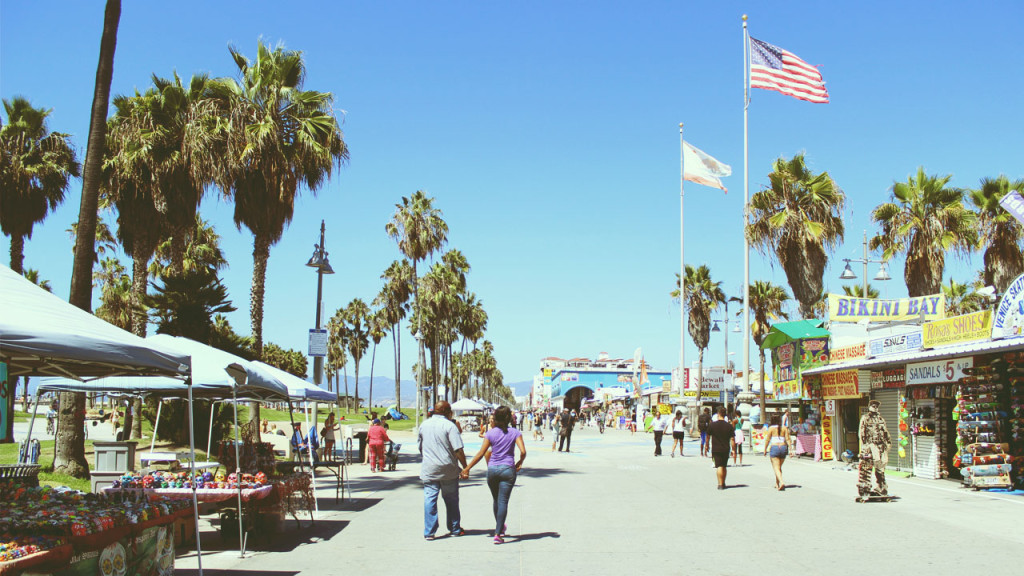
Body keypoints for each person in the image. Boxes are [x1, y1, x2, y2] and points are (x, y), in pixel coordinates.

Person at [462, 406, 527, 544]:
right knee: (503, 501)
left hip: (492, 469)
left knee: (496, 500)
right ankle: (498, 533)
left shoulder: (490, 434)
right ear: (509, 418)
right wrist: (520, 462)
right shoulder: (515, 432)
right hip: (508, 469)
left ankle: (499, 525)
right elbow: (523, 451)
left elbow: (480, 454)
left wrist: (467, 468)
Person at [418, 401, 467, 540]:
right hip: (448, 469)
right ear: (446, 411)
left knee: (430, 498)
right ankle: (454, 528)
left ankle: (429, 532)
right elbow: (458, 449)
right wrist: (465, 467)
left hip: (429, 468)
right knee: (451, 499)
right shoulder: (449, 426)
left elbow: (420, 447)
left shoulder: (424, 425)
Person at [857, 400, 892, 500]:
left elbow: (885, 432)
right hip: (869, 446)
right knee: (866, 469)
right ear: (869, 407)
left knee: (880, 469)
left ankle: (881, 488)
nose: (875, 407)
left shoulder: (881, 419)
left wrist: (888, 444)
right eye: (873, 406)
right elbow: (861, 433)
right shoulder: (865, 418)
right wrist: (865, 447)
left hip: (880, 447)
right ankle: (865, 488)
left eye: (876, 406)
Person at [707, 406, 735, 490]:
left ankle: (720, 484)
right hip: (726, 448)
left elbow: (708, 436)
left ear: (718, 414)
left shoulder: (712, 425)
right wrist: (733, 449)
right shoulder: (729, 426)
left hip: (716, 448)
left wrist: (706, 445)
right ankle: (723, 482)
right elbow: (732, 439)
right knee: (724, 466)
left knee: (719, 466)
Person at [763, 414, 791, 490]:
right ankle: (777, 483)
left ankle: (782, 482)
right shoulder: (784, 428)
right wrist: (791, 450)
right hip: (783, 447)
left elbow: (768, 439)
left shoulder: (771, 428)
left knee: (776, 467)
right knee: (779, 467)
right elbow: (788, 439)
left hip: (774, 447)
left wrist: (765, 449)